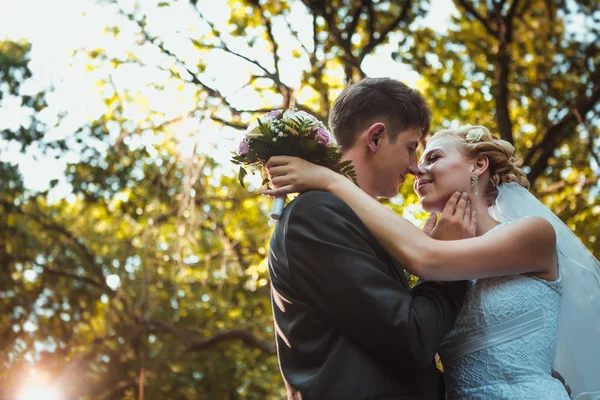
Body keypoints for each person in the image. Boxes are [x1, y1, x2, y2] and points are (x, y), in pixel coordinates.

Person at [265, 125, 600, 399]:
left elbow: (428, 260)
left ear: (478, 165)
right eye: (415, 158)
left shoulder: (533, 234)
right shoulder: (430, 253)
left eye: (433, 157)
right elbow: (419, 342)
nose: (416, 170)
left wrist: (332, 180)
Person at [266, 77, 472, 400]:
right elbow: (411, 337)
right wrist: (449, 261)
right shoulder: (316, 215)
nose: (415, 168)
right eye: (410, 149)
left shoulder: (357, 222)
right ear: (375, 137)